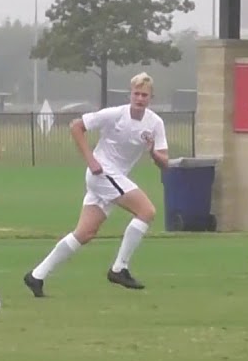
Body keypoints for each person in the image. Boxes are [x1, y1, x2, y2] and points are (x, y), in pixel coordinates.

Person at [23, 72, 168, 297]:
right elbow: (76, 126)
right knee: (147, 211)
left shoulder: (155, 123)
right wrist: (91, 160)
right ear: (130, 94)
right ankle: (119, 268)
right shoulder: (115, 114)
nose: (140, 98)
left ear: (151, 97)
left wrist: (152, 151)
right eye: (136, 93)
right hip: (102, 173)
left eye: (144, 95)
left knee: (85, 233)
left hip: (113, 177)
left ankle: (36, 276)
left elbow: (164, 162)